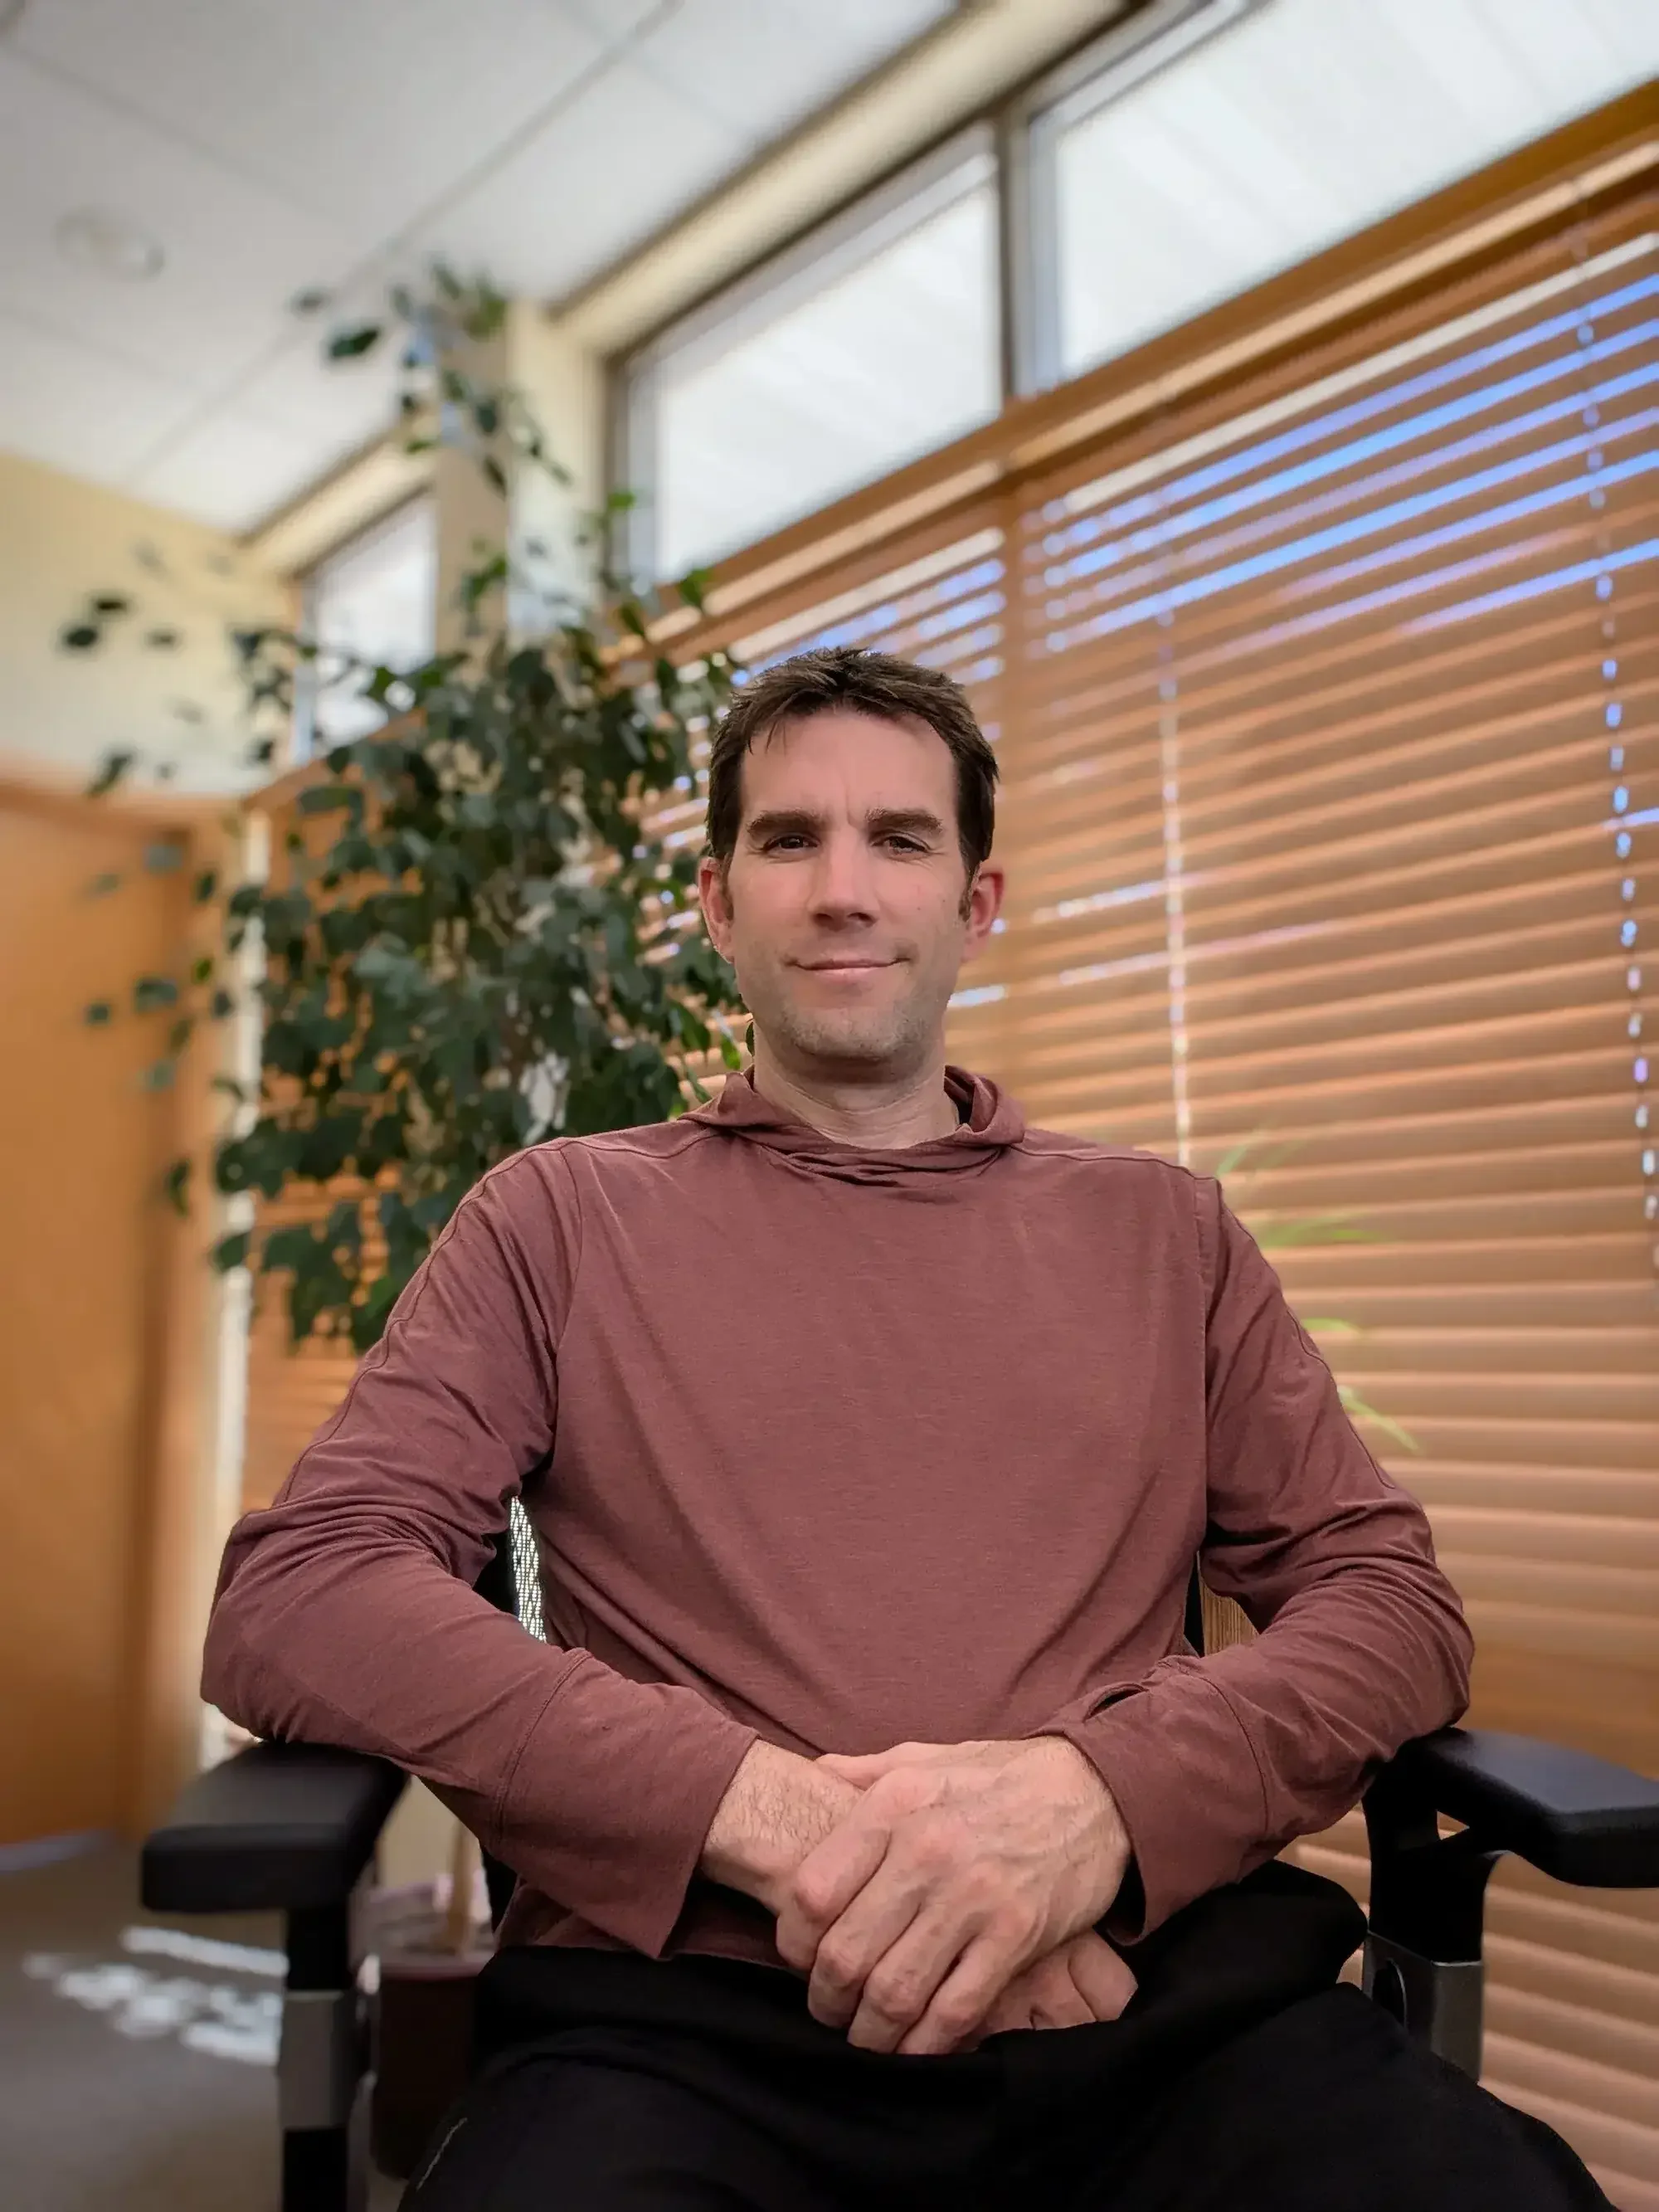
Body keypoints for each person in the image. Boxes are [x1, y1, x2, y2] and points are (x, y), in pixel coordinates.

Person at [202, 647, 1610, 2210]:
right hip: (689, 2035)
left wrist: (1092, 1808)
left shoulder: (1165, 1234)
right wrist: (779, 1819)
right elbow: (305, 1591)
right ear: (722, 906)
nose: (844, 890)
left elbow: (1391, 1603)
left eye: (901, 838)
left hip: (1158, 2007)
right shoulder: (558, 1221)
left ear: (976, 902)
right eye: (789, 840)